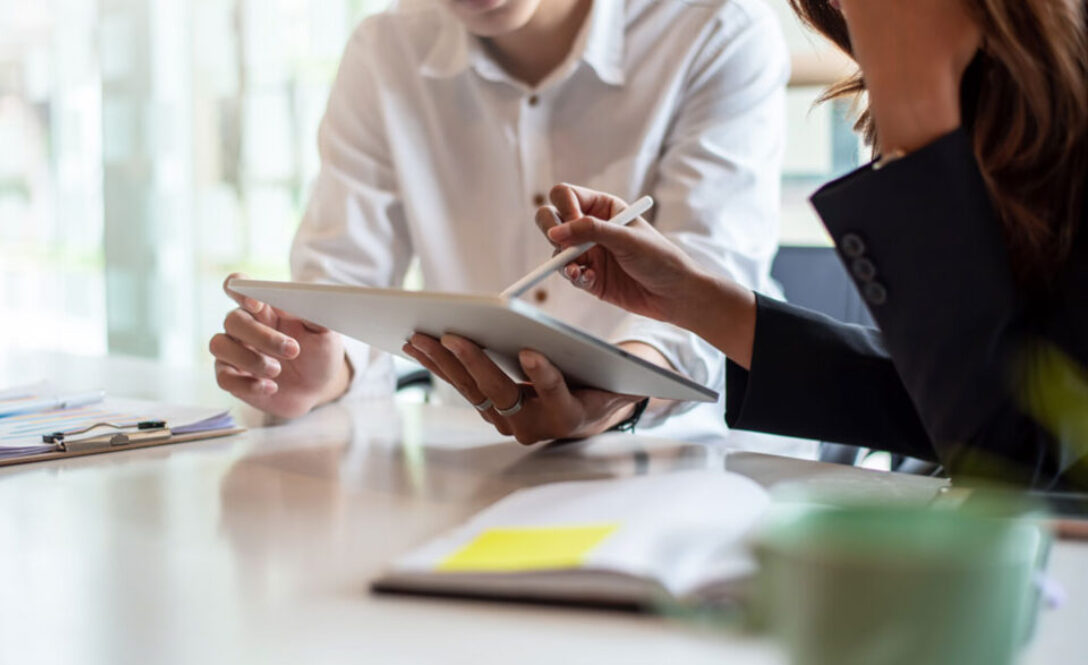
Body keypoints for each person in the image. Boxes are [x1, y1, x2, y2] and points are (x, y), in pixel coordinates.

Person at [437, 0, 1088, 488]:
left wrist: (914, 105)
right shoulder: (1006, 100)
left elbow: (1014, 464)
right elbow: (953, 405)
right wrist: (694, 300)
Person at [210, 0, 793, 444]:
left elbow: (712, 289)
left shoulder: (716, 28)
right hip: (475, 455)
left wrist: (615, 395)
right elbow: (343, 278)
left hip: (688, 454)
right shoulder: (385, 50)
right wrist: (320, 367)